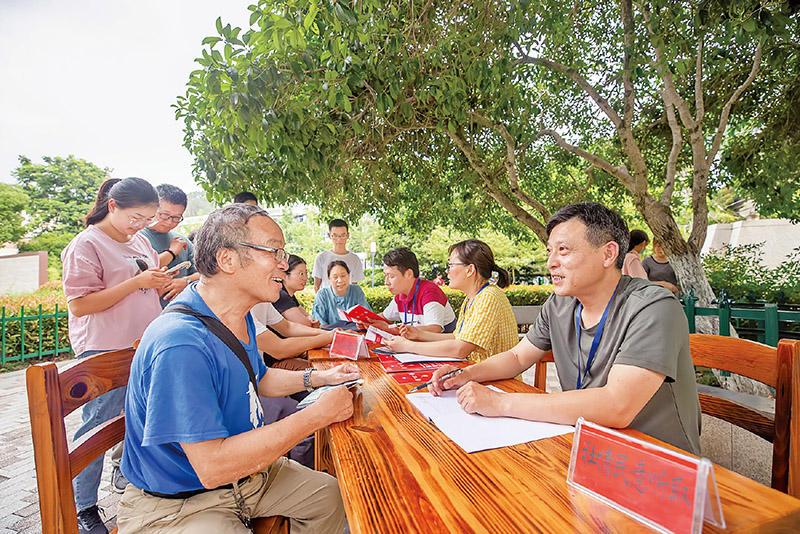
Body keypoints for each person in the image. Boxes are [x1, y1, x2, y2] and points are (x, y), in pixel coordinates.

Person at [118, 203, 359, 533]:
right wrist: (317, 416)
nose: (284, 263)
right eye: (274, 251)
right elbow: (212, 467)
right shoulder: (181, 343)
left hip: (248, 477)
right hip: (182, 503)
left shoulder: (236, 313)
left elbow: (257, 377)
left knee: (330, 495)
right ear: (226, 259)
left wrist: (319, 378)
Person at [428, 202, 701, 454]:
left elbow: (618, 405)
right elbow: (516, 357)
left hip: (654, 463)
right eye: (550, 251)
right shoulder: (560, 305)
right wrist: (464, 374)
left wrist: (499, 403)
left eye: (564, 250)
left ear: (608, 253)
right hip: (584, 444)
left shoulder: (653, 307)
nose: (551, 262)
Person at [61, 177, 172, 534]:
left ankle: (132, 482)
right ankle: (83, 507)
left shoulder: (139, 241)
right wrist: (137, 283)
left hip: (143, 345)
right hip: (104, 349)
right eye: (136, 217)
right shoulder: (87, 244)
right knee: (98, 428)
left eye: (148, 218)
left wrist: (163, 282)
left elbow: (149, 286)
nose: (142, 225)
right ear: (113, 207)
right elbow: (80, 305)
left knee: (138, 421)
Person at [384, 240, 517, 364]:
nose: (447, 271)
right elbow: (457, 337)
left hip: (499, 383)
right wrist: (419, 334)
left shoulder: (489, 296)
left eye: (451, 265)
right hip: (477, 375)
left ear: (470, 270)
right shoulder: (472, 298)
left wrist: (408, 346)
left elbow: (460, 349)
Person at [361, 248, 456, 334]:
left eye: (391, 276)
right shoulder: (400, 295)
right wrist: (366, 321)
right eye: (385, 276)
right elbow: (384, 316)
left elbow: (434, 329)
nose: (386, 282)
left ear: (409, 274)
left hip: (440, 350)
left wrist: (389, 329)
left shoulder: (430, 292)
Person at [139, 184, 199, 307]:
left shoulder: (183, 241)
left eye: (176, 218)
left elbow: (204, 273)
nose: (169, 222)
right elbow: (139, 274)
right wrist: (172, 252)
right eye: (164, 215)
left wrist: (186, 281)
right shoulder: (135, 237)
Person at [311, 261, 371, 326]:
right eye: (335, 277)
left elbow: (366, 316)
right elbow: (319, 323)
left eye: (343, 276)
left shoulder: (356, 290)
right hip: (330, 334)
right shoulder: (322, 294)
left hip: (356, 333)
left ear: (348, 275)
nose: (340, 280)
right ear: (329, 279)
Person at [312, 219, 364, 291]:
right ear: (329, 236)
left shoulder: (354, 259)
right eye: (335, 236)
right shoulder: (321, 258)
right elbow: (316, 287)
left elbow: (354, 287)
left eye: (343, 235)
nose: (339, 239)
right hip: (326, 301)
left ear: (348, 235)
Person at [273, 254, 319, 328]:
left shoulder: (290, 295)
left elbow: (308, 316)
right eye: (301, 274)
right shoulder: (281, 295)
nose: (305, 278)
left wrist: (310, 319)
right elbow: (306, 325)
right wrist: (310, 321)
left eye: (306, 273)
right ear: (284, 274)